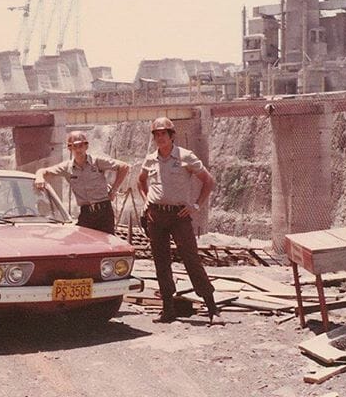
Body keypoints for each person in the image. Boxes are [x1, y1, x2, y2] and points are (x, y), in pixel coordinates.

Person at [137, 117, 223, 325]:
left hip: (179, 216)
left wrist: (195, 205)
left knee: (191, 258)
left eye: (163, 134)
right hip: (156, 216)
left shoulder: (185, 157)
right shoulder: (150, 159)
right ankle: (168, 309)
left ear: (171, 135)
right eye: (156, 134)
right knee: (161, 262)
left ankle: (212, 308)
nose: (160, 138)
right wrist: (146, 202)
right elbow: (140, 182)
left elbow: (208, 181)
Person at [34, 131, 129, 234]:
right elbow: (44, 171)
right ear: (70, 148)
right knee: (81, 242)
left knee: (107, 243)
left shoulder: (96, 162)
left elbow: (124, 167)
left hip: (104, 211)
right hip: (86, 213)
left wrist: (114, 190)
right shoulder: (67, 168)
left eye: (81, 145)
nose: (78, 149)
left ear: (86, 146)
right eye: (75, 146)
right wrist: (39, 176)